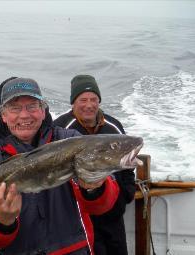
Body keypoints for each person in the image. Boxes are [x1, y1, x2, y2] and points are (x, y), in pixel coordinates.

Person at [0, 77, 121, 255]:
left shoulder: (71, 140)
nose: (24, 115)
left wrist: (95, 189)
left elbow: (102, 206)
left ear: (43, 111)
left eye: (32, 106)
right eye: (15, 108)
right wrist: (1, 222)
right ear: (3, 115)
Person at [54, 74, 136, 255]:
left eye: (94, 99)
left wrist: (125, 195)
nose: (89, 105)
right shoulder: (61, 128)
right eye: (83, 100)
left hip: (113, 216)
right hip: (79, 218)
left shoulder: (114, 127)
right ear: (73, 102)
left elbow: (128, 164)